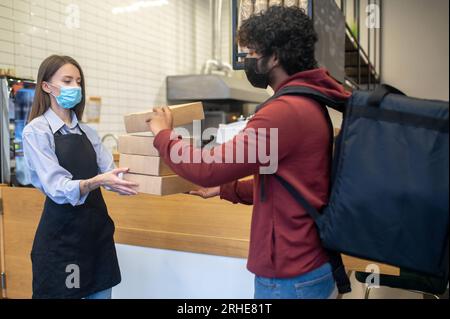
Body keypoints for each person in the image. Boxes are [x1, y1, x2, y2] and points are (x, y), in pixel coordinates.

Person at [147, 6, 351, 299]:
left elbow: (207, 168)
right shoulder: (309, 103)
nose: (245, 62)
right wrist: (226, 188)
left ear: (275, 57)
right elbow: (289, 186)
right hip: (311, 264)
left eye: (250, 53)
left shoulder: (284, 112)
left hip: (289, 275)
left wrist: (163, 133)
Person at [23, 55, 139, 299]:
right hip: (63, 243)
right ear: (46, 86)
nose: (75, 87)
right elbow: (57, 187)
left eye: (78, 81)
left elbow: (111, 175)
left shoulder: (88, 131)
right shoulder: (36, 131)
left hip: (97, 238)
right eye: (67, 80)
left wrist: (153, 175)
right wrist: (98, 181)